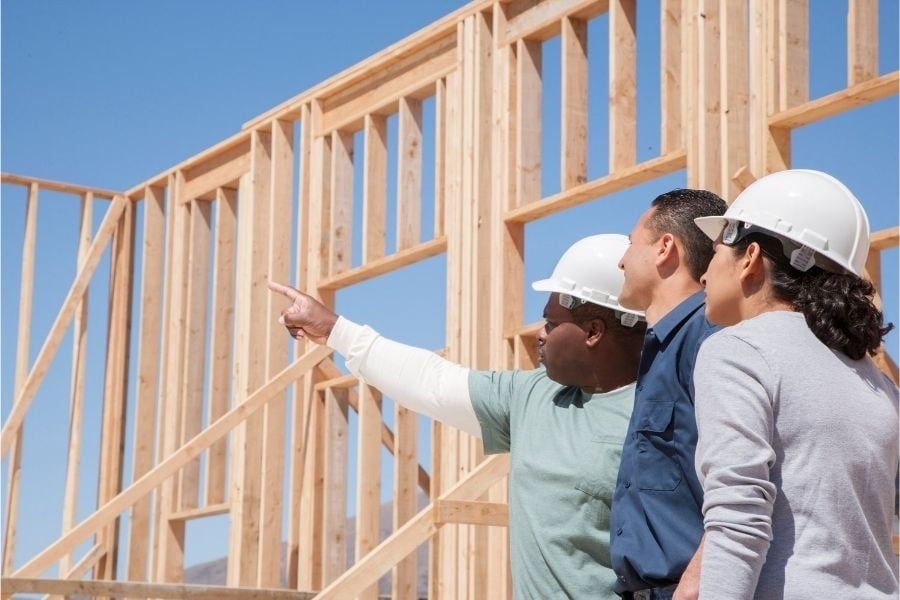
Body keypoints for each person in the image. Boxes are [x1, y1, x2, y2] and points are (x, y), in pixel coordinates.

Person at [270, 234, 647, 599]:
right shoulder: (533, 396)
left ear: (593, 331)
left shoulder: (659, 413)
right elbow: (432, 382)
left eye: (550, 323)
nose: (540, 335)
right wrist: (336, 329)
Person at [690, 169, 899, 598]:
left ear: (749, 258)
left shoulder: (738, 350)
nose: (704, 277)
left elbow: (738, 517)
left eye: (713, 254)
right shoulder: (876, 382)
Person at [612, 188, 728, 600]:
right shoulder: (663, 346)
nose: (621, 260)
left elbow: (748, 478)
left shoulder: (706, 338)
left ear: (665, 248)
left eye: (630, 244)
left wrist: (695, 580)